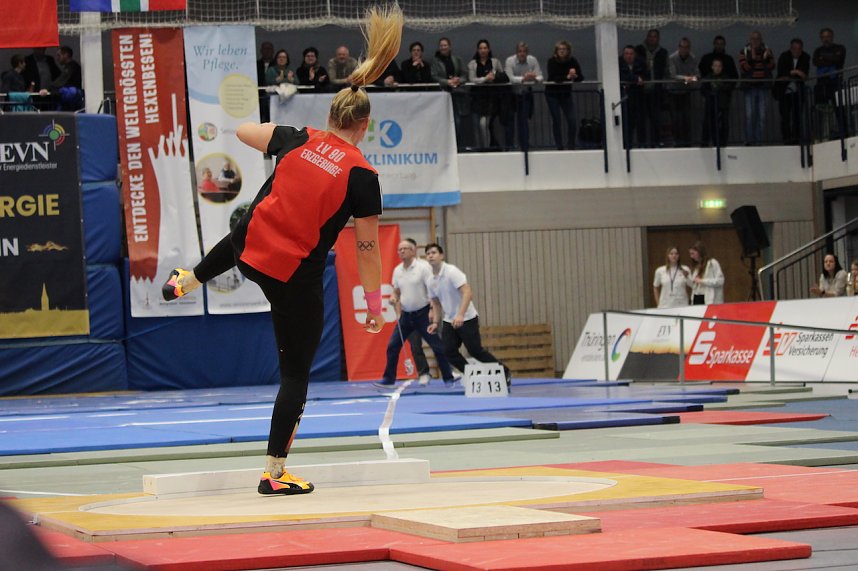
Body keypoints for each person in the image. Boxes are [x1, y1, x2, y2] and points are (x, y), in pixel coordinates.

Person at [161, 5, 403, 496]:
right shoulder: (363, 176)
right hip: (293, 278)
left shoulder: (297, 138)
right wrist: (374, 306)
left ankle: (189, 278)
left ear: (330, 115)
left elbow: (244, 132)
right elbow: (367, 249)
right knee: (295, 375)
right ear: (365, 127)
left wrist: (289, 141)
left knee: (251, 222)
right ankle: (274, 473)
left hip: (249, 250)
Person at [424, 243, 511, 387]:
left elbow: (467, 292)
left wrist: (460, 315)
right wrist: (435, 322)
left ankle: (504, 372)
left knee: (475, 351)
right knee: (448, 351)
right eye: (428, 254)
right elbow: (436, 303)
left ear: (441, 255)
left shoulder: (452, 272)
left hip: (467, 318)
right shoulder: (430, 280)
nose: (430, 256)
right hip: (449, 320)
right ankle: (473, 375)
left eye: (433, 252)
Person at [375, 239, 456, 388]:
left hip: (423, 314)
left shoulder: (423, 267)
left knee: (437, 346)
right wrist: (394, 297)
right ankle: (389, 379)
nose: (402, 251)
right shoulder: (397, 270)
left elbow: (433, 290)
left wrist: (432, 310)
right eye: (399, 249)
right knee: (392, 346)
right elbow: (396, 291)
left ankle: (448, 377)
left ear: (413, 250)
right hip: (406, 316)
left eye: (405, 249)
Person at [467, 39, 506, 150]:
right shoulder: (472, 64)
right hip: (477, 98)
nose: (483, 50)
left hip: (491, 98)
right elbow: (472, 79)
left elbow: (503, 76)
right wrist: (485, 78)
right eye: (480, 48)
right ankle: (480, 148)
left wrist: (494, 77)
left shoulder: (495, 62)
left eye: (485, 48)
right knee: (477, 127)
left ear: (489, 49)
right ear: (477, 50)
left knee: (484, 124)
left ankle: (487, 148)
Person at [504, 41, 543, 151]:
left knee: (524, 121)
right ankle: (509, 147)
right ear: (516, 52)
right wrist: (523, 79)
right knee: (510, 122)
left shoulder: (532, 60)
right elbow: (510, 78)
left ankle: (524, 146)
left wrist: (534, 78)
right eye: (520, 51)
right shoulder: (509, 61)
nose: (522, 54)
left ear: (527, 52)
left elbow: (540, 77)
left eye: (524, 51)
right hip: (511, 94)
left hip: (525, 94)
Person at [430, 37, 468, 148]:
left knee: (457, 121)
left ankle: (457, 146)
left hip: (456, 94)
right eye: (441, 45)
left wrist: (458, 80)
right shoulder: (435, 61)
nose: (443, 47)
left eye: (445, 45)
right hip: (442, 95)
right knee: (442, 122)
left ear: (449, 47)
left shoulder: (457, 59)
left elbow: (465, 74)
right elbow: (434, 76)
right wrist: (447, 82)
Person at [545, 40, 583, 150]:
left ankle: (571, 145)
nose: (562, 51)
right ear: (556, 51)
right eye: (560, 49)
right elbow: (553, 77)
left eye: (564, 49)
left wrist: (574, 76)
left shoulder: (572, 61)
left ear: (568, 51)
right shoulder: (551, 61)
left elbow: (580, 77)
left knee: (572, 120)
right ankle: (559, 146)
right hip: (552, 94)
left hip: (566, 94)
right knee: (557, 120)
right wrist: (567, 77)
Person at [738, 31, 775, 145]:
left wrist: (766, 58)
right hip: (750, 87)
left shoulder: (767, 50)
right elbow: (744, 68)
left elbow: (772, 66)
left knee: (762, 116)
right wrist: (752, 58)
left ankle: (759, 141)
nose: (755, 41)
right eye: (753, 39)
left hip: (763, 87)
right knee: (750, 115)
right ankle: (749, 140)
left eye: (757, 39)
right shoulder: (744, 52)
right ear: (749, 40)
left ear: (761, 40)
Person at [635, 29, 669, 147]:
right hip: (641, 91)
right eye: (650, 36)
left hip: (656, 90)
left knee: (655, 119)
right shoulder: (639, 50)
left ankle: (655, 143)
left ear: (658, 38)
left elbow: (666, 71)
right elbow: (635, 67)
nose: (652, 38)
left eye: (654, 36)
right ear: (647, 37)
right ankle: (642, 144)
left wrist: (664, 86)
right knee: (641, 119)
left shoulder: (663, 52)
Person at [773, 38, 809, 145]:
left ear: (801, 49)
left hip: (798, 92)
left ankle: (796, 138)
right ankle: (787, 138)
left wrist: (793, 73)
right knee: (785, 116)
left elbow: (804, 75)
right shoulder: (784, 56)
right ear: (791, 48)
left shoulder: (805, 57)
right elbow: (781, 73)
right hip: (784, 92)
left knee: (797, 116)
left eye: (798, 49)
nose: (796, 51)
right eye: (794, 48)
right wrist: (795, 73)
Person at [812, 28, 846, 137]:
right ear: (821, 38)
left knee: (839, 108)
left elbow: (838, 59)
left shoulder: (840, 48)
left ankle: (843, 132)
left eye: (828, 36)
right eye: (823, 37)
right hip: (822, 84)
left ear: (832, 37)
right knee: (821, 109)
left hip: (836, 83)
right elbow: (815, 61)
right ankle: (822, 134)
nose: (825, 39)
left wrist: (824, 58)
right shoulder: (818, 50)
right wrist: (831, 59)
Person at [667, 38, 698, 146]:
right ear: (679, 48)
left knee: (686, 118)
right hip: (673, 92)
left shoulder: (693, 58)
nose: (684, 50)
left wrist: (690, 79)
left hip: (686, 91)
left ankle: (687, 142)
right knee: (675, 119)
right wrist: (686, 78)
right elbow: (673, 75)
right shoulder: (672, 58)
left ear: (689, 48)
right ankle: (677, 142)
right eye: (682, 47)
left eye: (686, 47)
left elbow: (697, 75)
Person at [700, 57, 734, 147]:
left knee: (723, 125)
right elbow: (703, 90)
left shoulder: (726, 78)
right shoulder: (708, 78)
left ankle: (722, 143)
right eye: (715, 66)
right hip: (711, 106)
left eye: (719, 66)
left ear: (722, 67)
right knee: (709, 124)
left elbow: (729, 88)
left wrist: (719, 88)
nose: (717, 68)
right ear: (712, 67)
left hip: (723, 106)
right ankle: (706, 143)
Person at [619, 45, 646, 149]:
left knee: (640, 123)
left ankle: (642, 145)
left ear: (635, 55)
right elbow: (621, 76)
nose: (629, 56)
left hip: (638, 97)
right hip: (625, 99)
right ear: (623, 55)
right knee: (627, 125)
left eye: (631, 54)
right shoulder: (619, 63)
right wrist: (635, 78)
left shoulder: (640, 63)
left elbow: (646, 75)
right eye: (627, 54)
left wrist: (638, 79)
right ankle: (626, 146)